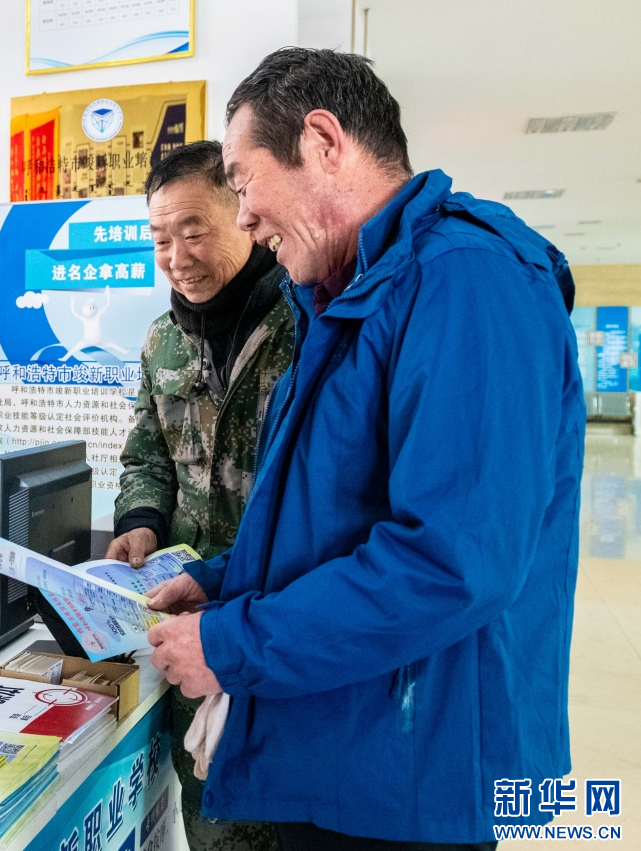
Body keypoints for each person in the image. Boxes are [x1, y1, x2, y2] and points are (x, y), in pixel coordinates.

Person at [146, 48, 583, 851]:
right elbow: (338, 512)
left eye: (242, 183)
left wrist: (232, 644)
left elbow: (453, 560)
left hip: (419, 775)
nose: (243, 216)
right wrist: (219, 582)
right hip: (358, 749)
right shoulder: (349, 296)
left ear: (320, 141)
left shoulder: (465, 282)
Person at [110, 140, 292, 851]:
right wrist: (141, 520)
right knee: (209, 805)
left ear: (244, 216)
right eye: (160, 237)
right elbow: (146, 451)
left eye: (192, 230)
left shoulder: (303, 326)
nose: (175, 254)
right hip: (187, 616)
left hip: (276, 610)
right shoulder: (162, 341)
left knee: (280, 805)